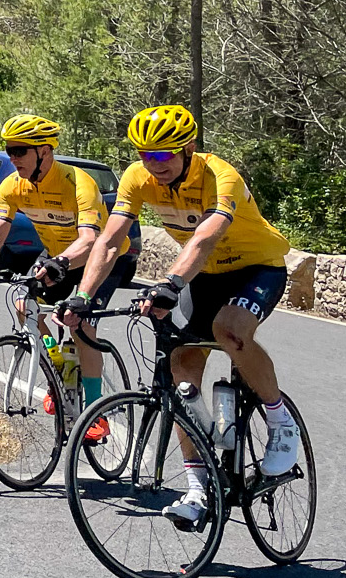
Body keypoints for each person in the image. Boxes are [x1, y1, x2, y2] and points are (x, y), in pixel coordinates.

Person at [66, 104, 301, 523]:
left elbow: (205, 238)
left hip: (257, 267)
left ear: (188, 148)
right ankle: (198, 487)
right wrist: (82, 295)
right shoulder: (137, 180)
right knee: (180, 367)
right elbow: (107, 241)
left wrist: (170, 284)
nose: (152, 166)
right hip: (204, 276)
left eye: (162, 156)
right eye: (144, 156)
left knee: (229, 330)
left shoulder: (218, 175)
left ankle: (279, 420)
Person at [0, 115, 131, 442]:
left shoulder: (79, 183)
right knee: (24, 303)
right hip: (57, 254)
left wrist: (61, 262)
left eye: (20, 150)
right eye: (9, 150)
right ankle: (59, 375)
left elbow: (91, 239)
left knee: (81, 325)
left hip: (101, 256)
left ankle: (95, 411)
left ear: (45, 151)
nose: (13, 158)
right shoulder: (13, 185)